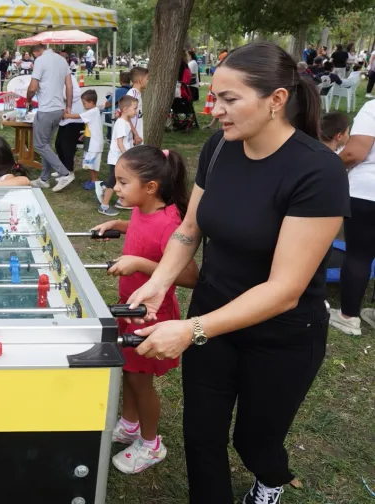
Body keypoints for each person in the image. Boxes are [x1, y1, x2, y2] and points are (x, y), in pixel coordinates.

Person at [124, 42, 348, 504]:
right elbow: (188, 230)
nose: (215, 111)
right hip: (211, 318)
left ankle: (269, 480)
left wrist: (191, 328)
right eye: (215, 98)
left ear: (277, 100)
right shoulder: (220, 149)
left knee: (255, 442)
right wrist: (159, 282)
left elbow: (286, 289)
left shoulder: (317, 171)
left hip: (282, 334)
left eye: (229, 100)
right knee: (201, 437)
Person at [90, 145, 198, 474]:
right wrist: (118, 226)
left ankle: (151, 444)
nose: (116, 188)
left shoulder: (170, 225)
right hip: (129, 310)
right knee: (127, 371)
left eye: (123, 182)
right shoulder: (143, 209)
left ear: (150, 187)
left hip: (152, 318)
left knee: (140, 381)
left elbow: (191, 277)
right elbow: (138, 225)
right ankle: (130, 424)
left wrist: (139, 263)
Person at [332, 100, 375, 335]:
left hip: (368, 192)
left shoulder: (373, 108)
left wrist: (326, 167)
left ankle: (348, 317)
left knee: (359, 254)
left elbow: (354, 152)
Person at [26, 43, 75, 192]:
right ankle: (44, 179)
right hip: (58, 109)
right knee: (45, 144)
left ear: (35, 53)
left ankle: (64, 172)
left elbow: (33, 87)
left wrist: (28, 99)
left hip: (46, 109)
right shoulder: (62, 59)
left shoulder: (40, 61)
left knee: (39, 145)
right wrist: (68, 107)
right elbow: (69, 85)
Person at [97, 95, 139, 216]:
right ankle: (104, 206)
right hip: (118, 159)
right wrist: (127, 156)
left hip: (121, 158)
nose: (136, 111)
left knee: (122, 180)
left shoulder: (124, 122)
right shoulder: (121, 123)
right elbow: (119, 143)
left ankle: (121, 201)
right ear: (125, 109)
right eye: (134, 108)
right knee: (112, 182)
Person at [62, 90, 103, 190]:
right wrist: (84, 134)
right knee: (90, 163)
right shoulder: (93, 111)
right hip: (91, 141)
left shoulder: (92, 111)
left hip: (94, 143)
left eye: (84, 103)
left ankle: (94, 181)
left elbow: (78, 116)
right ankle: (93, 179)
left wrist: (67, 115)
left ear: (91, 102)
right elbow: (92, 126)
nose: (83, 105)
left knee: (92, 163)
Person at [55, 74, 87, 179]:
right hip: (64, 118)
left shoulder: (70, 78)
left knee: (67, 146)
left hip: (74, 118)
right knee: (58, 144)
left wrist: (61, 97)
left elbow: (76, 94)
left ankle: (68, 171)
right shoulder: (56, 78)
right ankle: (62, 169)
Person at [126, 66, 149, 141]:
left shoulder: (137, 94)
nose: (148, 81)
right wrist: (135, 135)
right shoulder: (133, 95)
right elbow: (126, 117)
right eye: (147, 78)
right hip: (132, 139)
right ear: (140, 80)